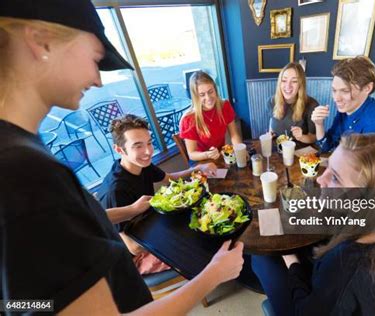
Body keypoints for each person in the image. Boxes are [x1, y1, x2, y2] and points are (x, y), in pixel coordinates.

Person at [0, 0, 244, 314]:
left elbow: (24, 304)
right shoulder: (27, 174)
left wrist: (128, 210)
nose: (99, 80)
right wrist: (212, 274)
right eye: (95, 58)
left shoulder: (22, 156)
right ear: (40, 41)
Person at [252, 134, 375, 316]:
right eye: (327, 167)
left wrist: (291, 262)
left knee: (263, 260)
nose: (321, 179)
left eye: (336, 178)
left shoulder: (346, 266)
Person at [97, 114, 217, 274]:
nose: (148, 151)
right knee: (200, 240)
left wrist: (197, 169)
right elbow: (133, 248)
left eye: (149, 143)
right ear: (119, 150)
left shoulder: (141, 164)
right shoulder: (116, 191)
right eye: (138, 146)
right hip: (132, 259)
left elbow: (169, 178)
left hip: (150, 227)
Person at [311, 56, 375, 153]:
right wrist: (319, 124)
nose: (336, 98)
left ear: (367, 88)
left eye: (345, 91)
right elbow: (326, 146)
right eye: (334, 90)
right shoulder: (346, 110)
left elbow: (366, 167)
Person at [179, 71, 242, 161]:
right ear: (195, 96)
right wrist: (207, 155)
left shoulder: (225, 105)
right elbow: (191, 154)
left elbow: (234, 135)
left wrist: (240, 151)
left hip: (221, 156)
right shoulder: (188, 119)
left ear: (215, 90)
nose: (208, 98)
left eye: (210, 91)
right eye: (202, 95)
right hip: (201, 161)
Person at [268, 62, 318, 144]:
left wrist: (301, 137)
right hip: (277, 150)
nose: (288, 86)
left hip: (301, 152)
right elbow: (271, 123)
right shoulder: (271, 101)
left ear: (300, 85)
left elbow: (313, 138)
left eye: (294, 81)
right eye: (284, 80)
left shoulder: (312, 105)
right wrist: (271, 133)